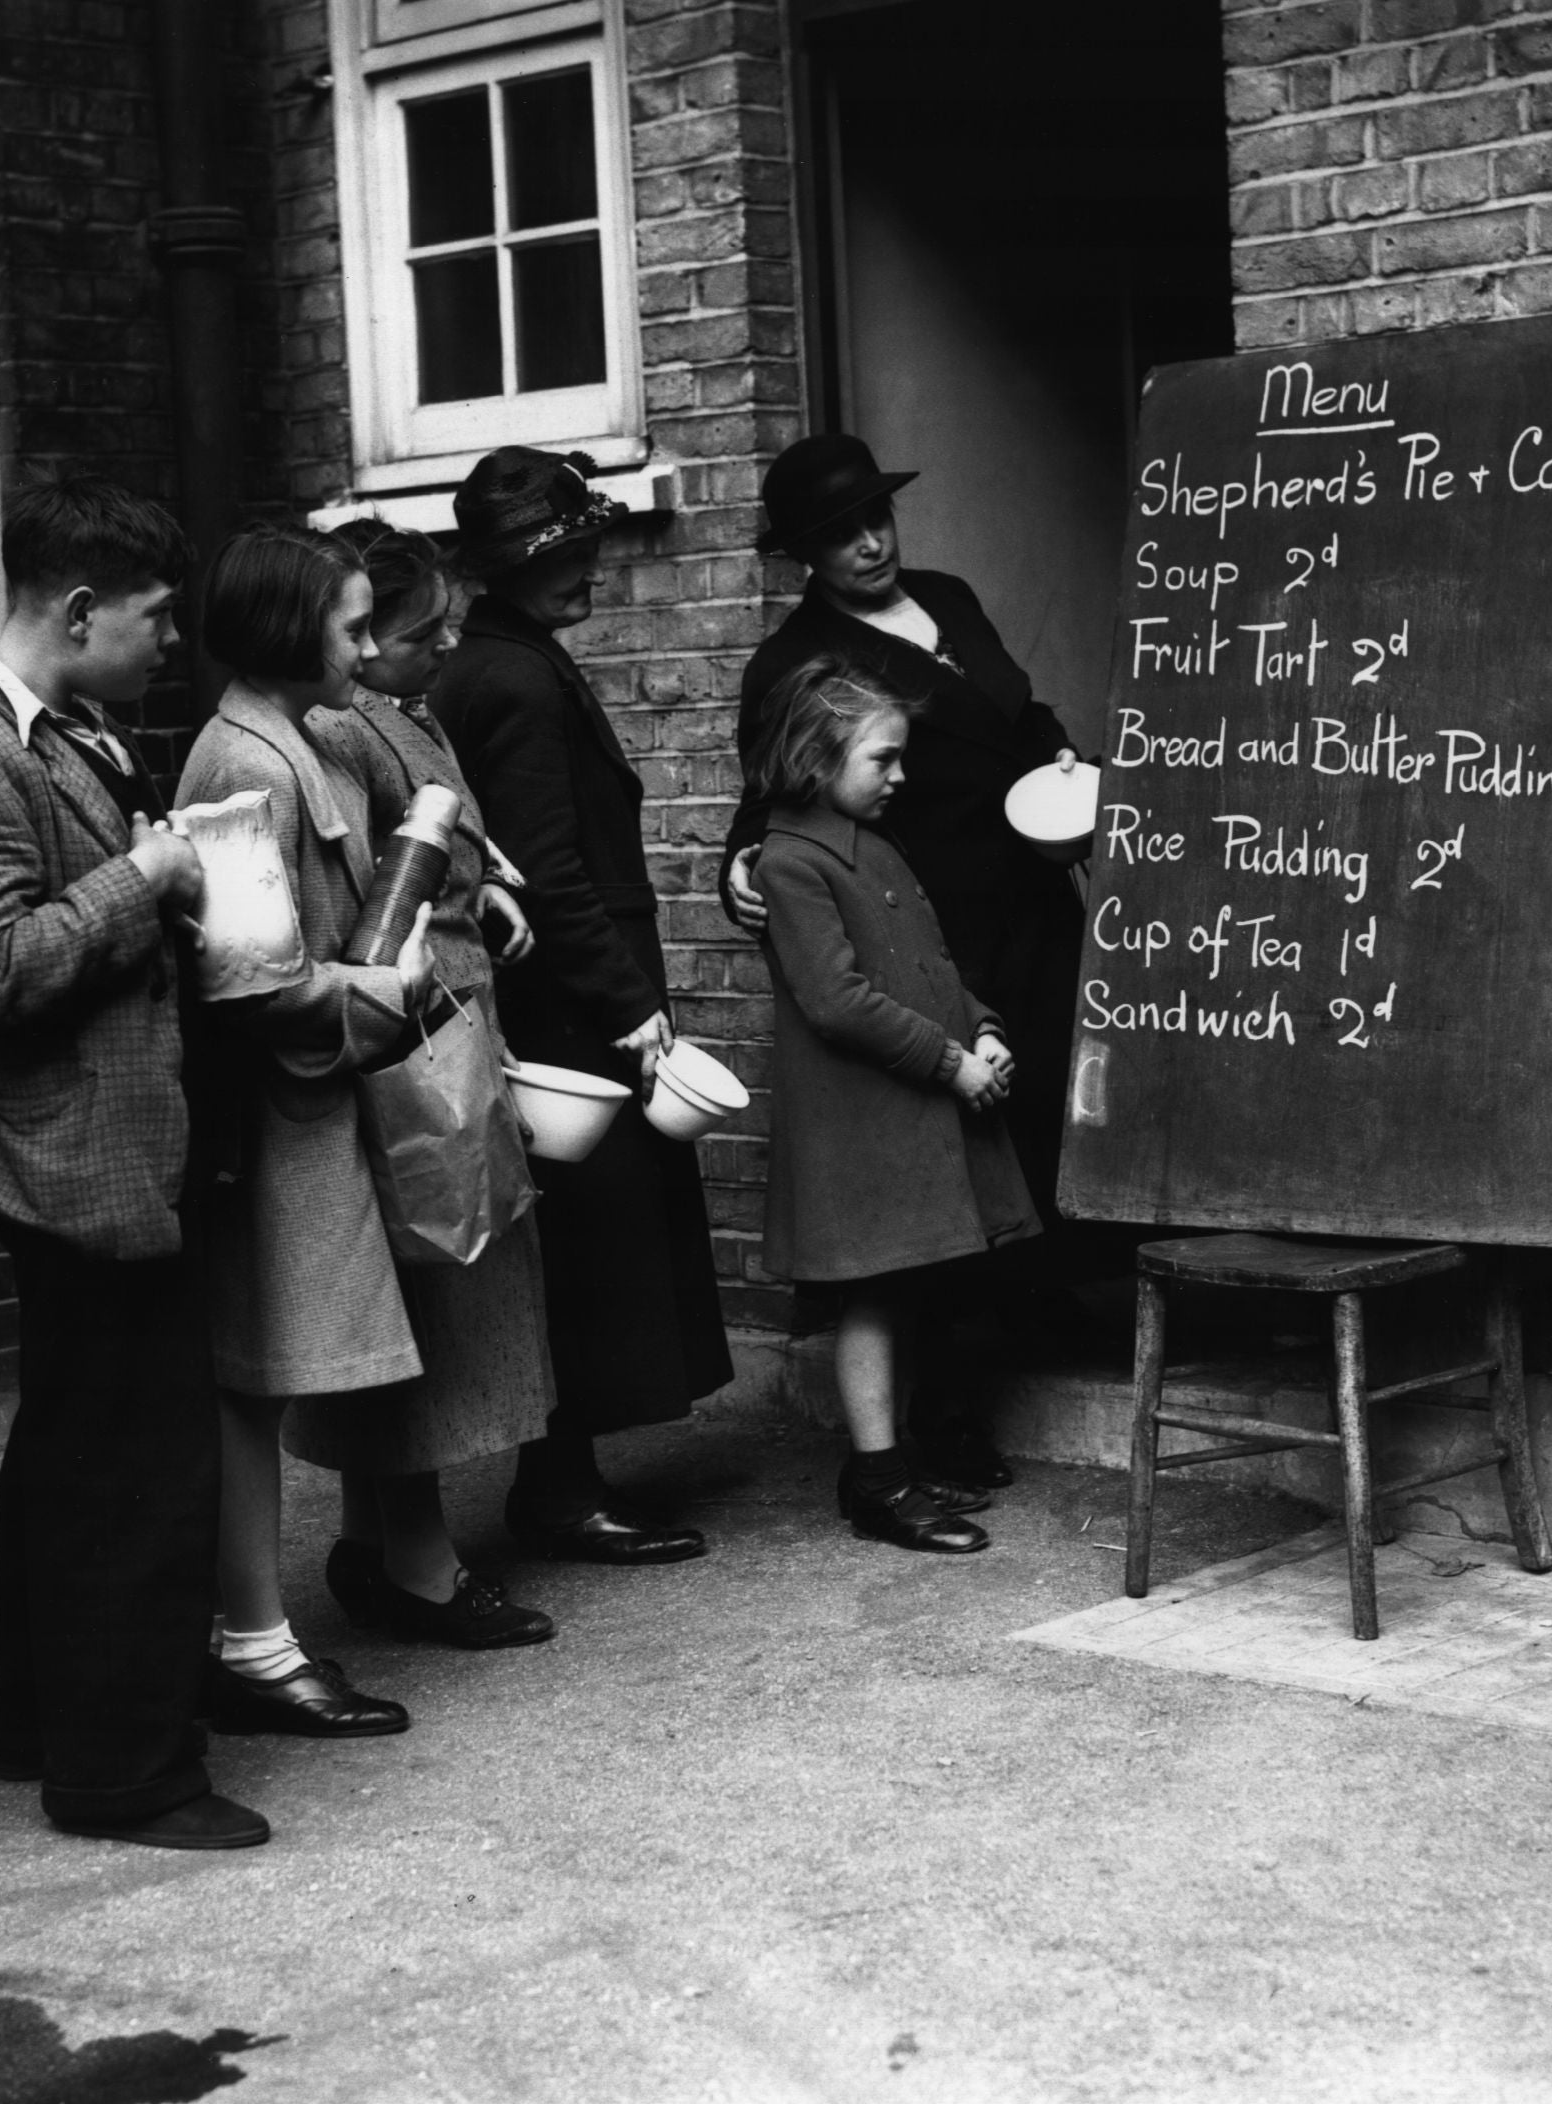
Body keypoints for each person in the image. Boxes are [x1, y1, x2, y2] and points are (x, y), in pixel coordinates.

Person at [0, 477, 266, 1853]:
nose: (173, 643)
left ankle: (46, 1720)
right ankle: (126, 1773)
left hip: (107, 1146)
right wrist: (147, 880)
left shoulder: (71, 729)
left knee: (69, 1450)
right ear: (78, 610)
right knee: (139, 1467)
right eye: (157, 620)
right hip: (69, 1163)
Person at [181, 523, 555, 1666]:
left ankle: (337, 1594)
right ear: (295, 629)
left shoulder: (291, 739)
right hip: (300, 1106)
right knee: (265, 1381)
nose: (368, 649)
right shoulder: (248, 761)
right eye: (352, 626)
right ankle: (265, 1639)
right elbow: (255, 986)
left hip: (329, 1092)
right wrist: (389, 992)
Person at [720, 434, 1088, 1489]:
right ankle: (951, 1407)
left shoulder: (950, 596)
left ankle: (1050, 1315)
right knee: (957, 1164)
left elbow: (1018, 714)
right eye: (840, 533)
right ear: (804, 553)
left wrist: (1062, 756)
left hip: (1032, 896)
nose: (870, 542)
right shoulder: (795, 662)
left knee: (1052, 1105)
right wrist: (742, 871)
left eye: (878, 517)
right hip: (931, 921)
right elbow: (773, 806)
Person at [431, 449, 730, 1562]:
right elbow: (548, 870)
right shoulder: (512, 678)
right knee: (589, 1250)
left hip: (555, 995)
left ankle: (564, 1476)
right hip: (566, 1009)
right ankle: (559, 1488)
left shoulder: (500, 661)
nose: (586, 567)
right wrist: (627, 1004)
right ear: (503, 572)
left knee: (579, 1247)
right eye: (558, 556)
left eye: (581, 544)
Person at [298, 517, 563, 1647]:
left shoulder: (399, 713)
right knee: (426, 1306)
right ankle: (418, 1562)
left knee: (439, 1301)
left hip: (446, 1017)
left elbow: (442, 835)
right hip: (415, 1038)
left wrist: (484, 880)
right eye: (415, 631)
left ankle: (385, 1544)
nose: (443, 644)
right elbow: (372, 903)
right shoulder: (342, 728)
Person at [750, 658, 1039, 1552]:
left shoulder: (873, 843)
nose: (899, 777)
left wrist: (982, 1025)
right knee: (873, 1299)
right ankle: (878, 1479)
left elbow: (931, 967)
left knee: (908, 1289)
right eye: (882, 759)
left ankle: (893, 1459)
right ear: (813, 754)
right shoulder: (791, 861)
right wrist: (950, 1062)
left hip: (907, 1113)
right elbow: (836, 1001)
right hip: (863, 1123)